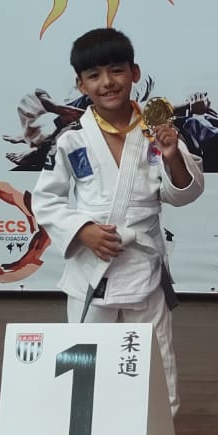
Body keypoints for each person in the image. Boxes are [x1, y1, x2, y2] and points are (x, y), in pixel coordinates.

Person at [33, 27, 204, 414]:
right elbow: (46, 200)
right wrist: (83, 231)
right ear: (80, 84)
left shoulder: (157, 131)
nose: (107, 82)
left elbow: (184, 193)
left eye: (116, 70)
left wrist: (172, 155)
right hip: (92, 269)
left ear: (134, 72)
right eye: (94, 75)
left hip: (142, 266)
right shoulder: (71, 138)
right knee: (87, 364)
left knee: (155, 362)